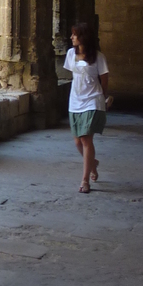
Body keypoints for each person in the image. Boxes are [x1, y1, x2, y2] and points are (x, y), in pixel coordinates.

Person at [63, 21, 110, 194]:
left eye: (74, 34)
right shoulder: (70, 54)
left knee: (85, 139)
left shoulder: (98, 57)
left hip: (93, 100)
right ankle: (92, 163)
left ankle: (84, 180)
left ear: (83, 37)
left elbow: (104, 79)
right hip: (75, 100)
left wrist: (103, 96)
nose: (71, 37)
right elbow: (74, 76)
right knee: (77, 141)